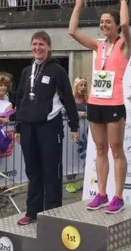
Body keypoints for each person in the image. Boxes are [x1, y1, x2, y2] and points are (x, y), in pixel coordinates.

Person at [68, 0, 131, 213]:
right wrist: (79, 4)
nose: (104, 25)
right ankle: (102, 193)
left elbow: (126, 24)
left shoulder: (124, 44)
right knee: (99, 149)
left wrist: (123, 0)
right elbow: (72, 31)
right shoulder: (98, 45)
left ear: (116, 25)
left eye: (108, 22)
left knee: (116, 150)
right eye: (102, 22)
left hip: (114, 104)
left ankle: (118, 197)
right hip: (95, 103)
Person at [15, 31, 79, 226]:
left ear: (48, 47)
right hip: (27, 127)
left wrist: (74, 126)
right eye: (34, 44)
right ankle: (32, 211)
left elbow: (68, 97)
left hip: (50, 126)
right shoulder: (27, 71)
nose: (37, 48)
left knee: (51, 171)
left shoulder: (57, 70)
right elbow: (20, 99)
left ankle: (52, 214)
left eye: (41, 44)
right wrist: (18, 126)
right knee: (33, 171)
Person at [65, 77, 88, 193]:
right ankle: (70, 181)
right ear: (76, 86)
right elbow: (65, 112)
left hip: (85, 132)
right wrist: (79, 114)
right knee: (71, 155)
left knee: (83, 155)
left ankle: (83, 180)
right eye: (80, 85)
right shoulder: (71, 99)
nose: (83, 87)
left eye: (84, 85)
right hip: (72, 130)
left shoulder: (87, 99)